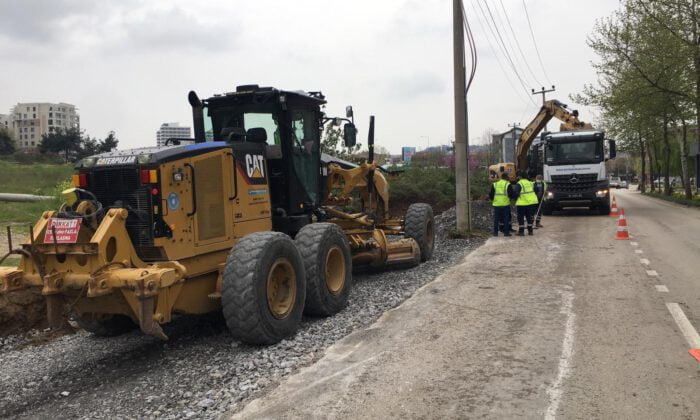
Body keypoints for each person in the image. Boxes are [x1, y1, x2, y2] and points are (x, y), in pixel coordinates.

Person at [513, 171, 538, 236]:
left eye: (518, 176)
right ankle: (530, 231)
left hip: (522, 203)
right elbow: (536, 190)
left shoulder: (519, 183)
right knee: (529, 217)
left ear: (520, 177)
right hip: (531, 203)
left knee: (521, 217)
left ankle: (521, 232)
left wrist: (515, 199)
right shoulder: (530, 183)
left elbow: (516, 193)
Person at [489, 172, 513, 236]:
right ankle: (506, 233)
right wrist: (511, 199)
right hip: (505, 204)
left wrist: (493, 200)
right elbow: (511, 194)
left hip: (496, 204)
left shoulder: (495, 184)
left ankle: (495, 233)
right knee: (506, 218)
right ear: (506, 177)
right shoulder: (508, 184)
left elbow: (491, 194)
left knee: (496, 219)